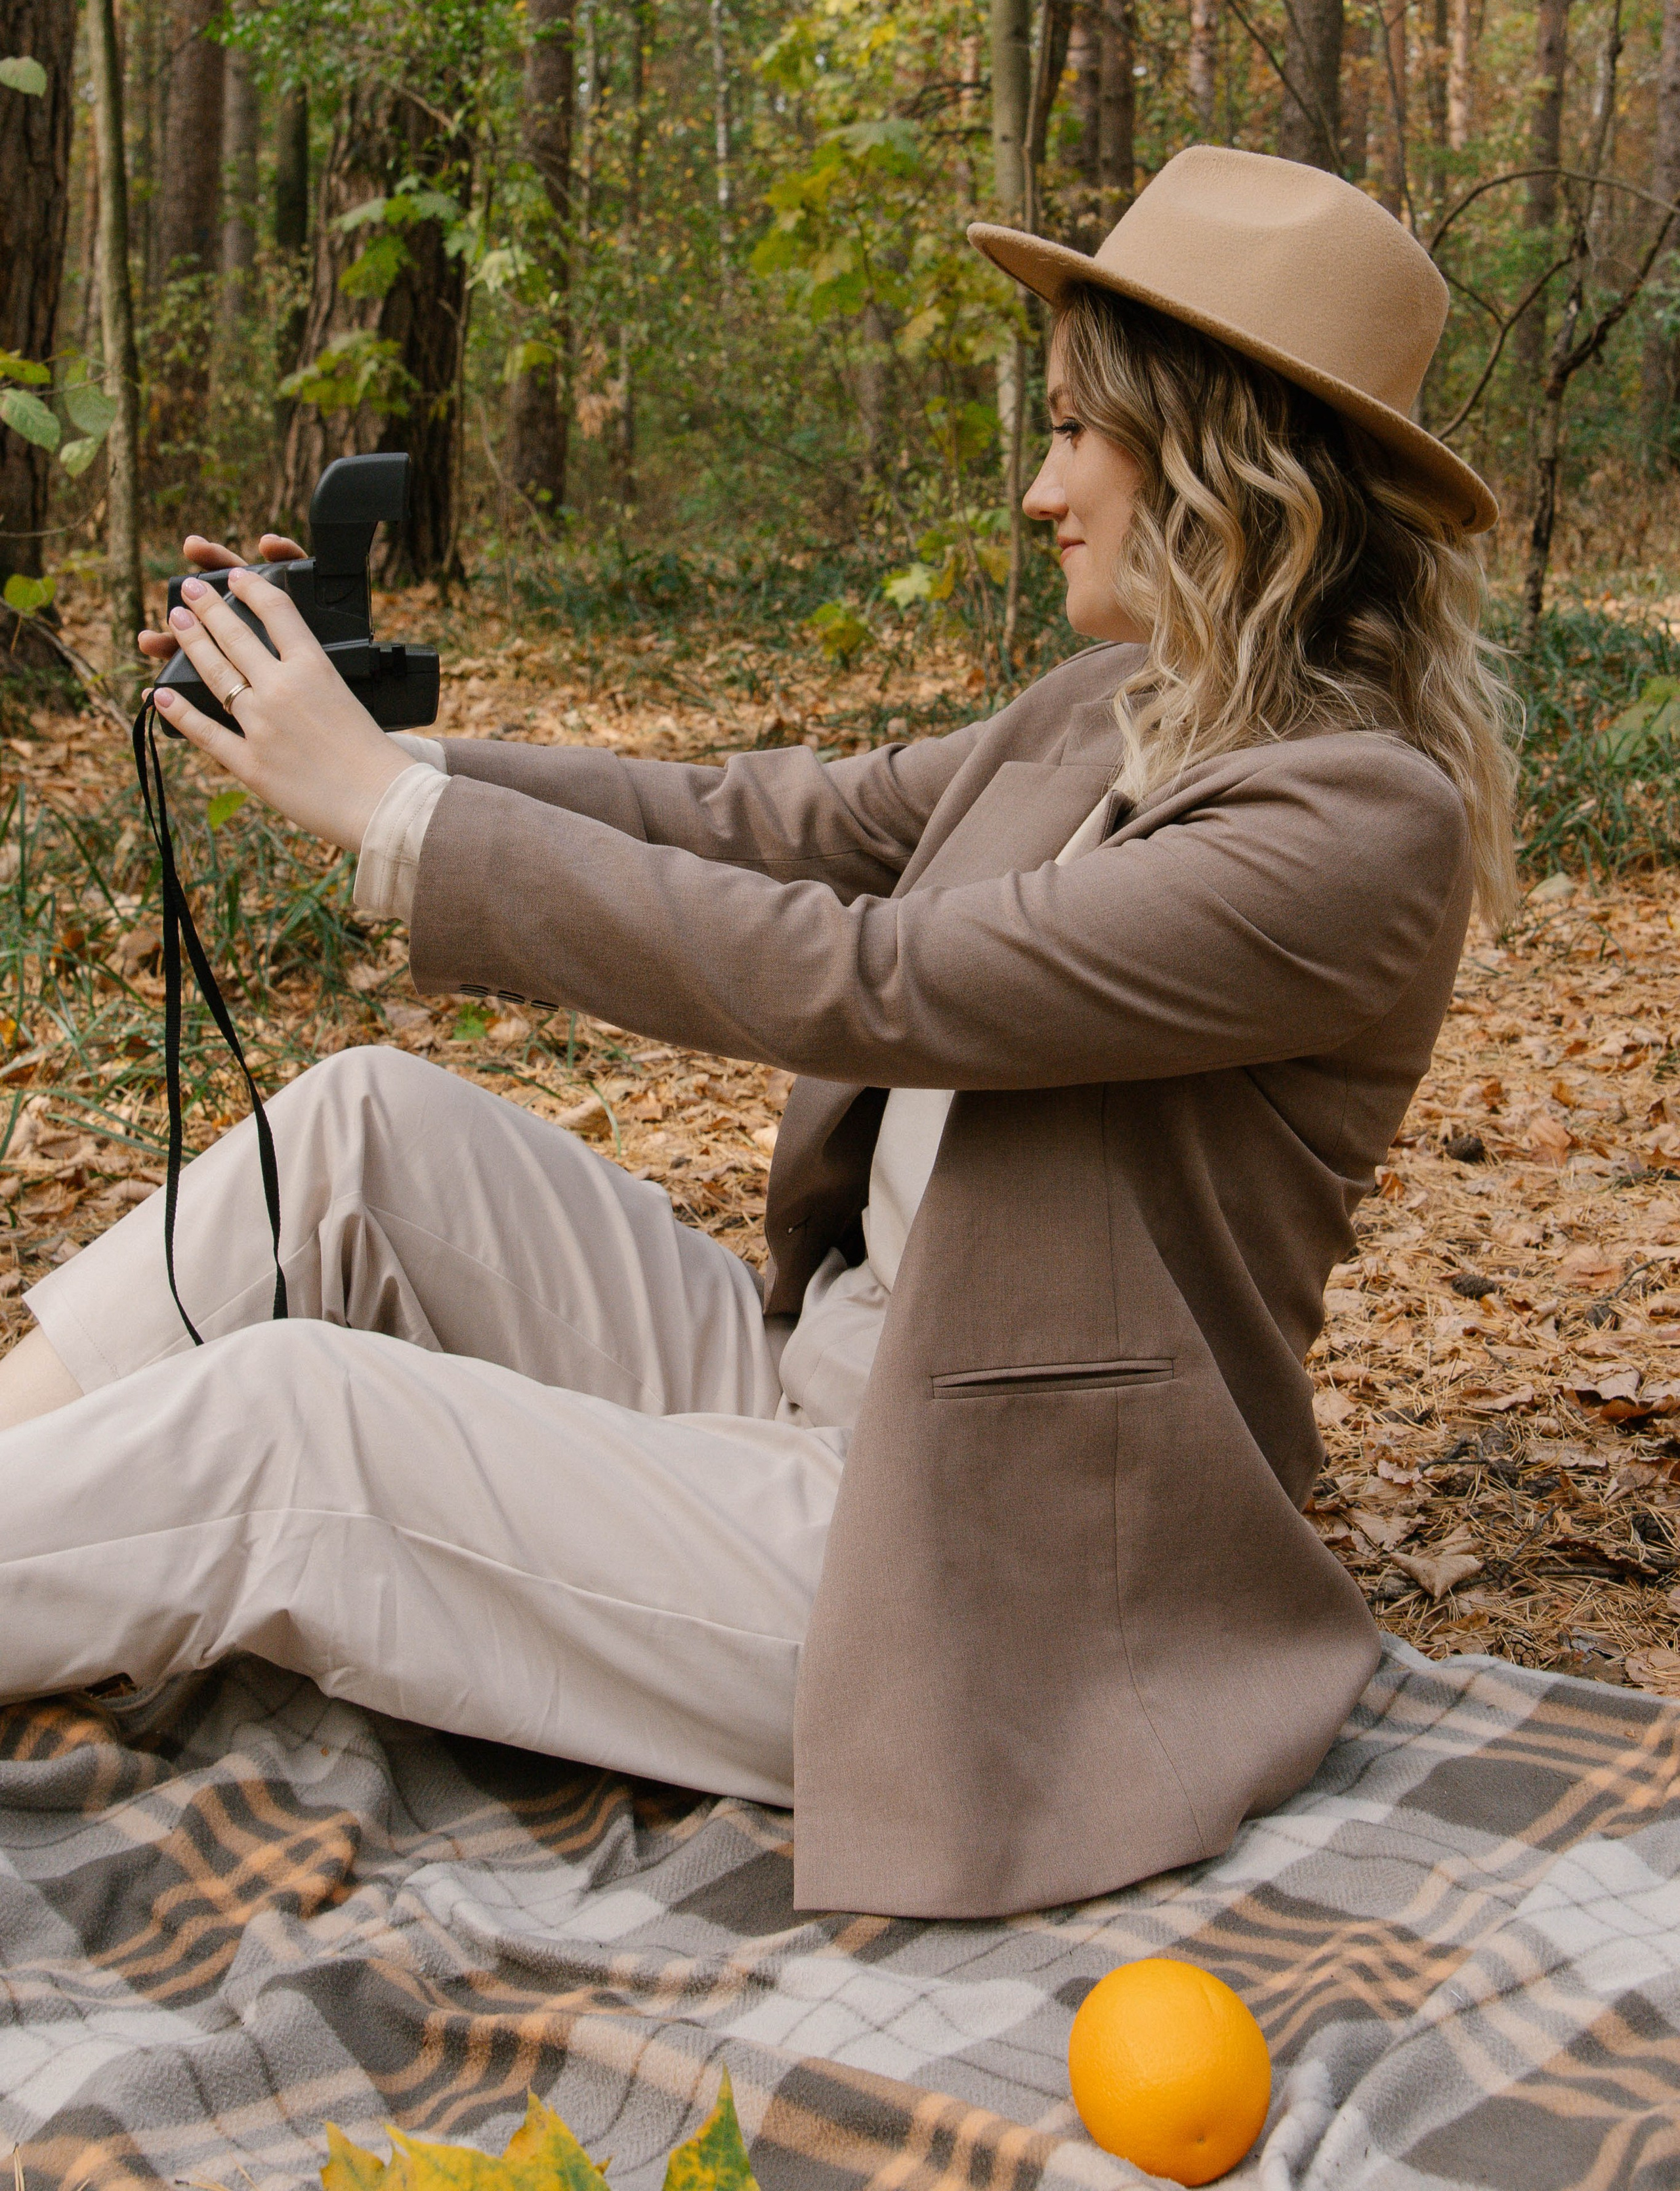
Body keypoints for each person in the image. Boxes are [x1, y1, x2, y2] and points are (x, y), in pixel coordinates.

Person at [0, 148, 1514, 1921]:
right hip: (826, 1394)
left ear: (1226, 463)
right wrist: (367, 753)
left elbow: (888, 978)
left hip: (959, 1569)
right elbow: (774, 821)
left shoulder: (1351, 831)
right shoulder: (1112, 710)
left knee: (295, 1426)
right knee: (361, 1130)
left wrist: (400, 834)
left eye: (1074, 435)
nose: (1039, 491)